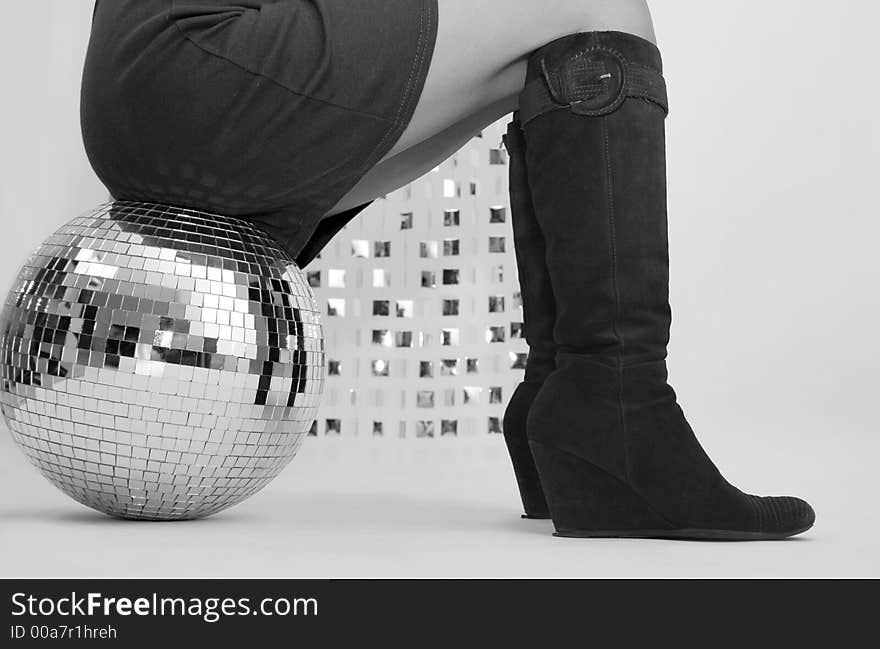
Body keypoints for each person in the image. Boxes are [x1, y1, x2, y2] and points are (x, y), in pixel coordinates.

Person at [81, 0, 814, 540]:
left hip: (155, 84)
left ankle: (573, 395)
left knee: (559, 42)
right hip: (198, 64)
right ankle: (611, 405)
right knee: (599, 2)